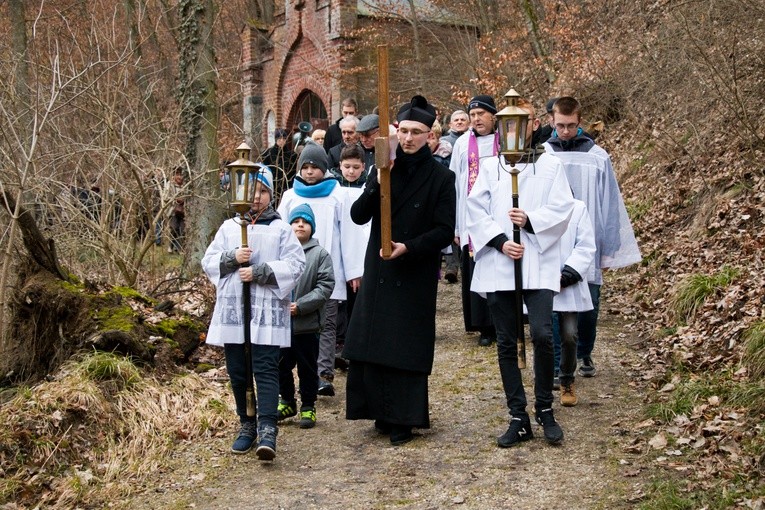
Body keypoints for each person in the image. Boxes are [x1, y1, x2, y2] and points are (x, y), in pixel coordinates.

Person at [342, 95, 456, 446]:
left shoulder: (441, 176)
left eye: (416, 132)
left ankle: (404, 417)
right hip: (379, 267)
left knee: (403, 343)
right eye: (403, 131)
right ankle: (379, 410)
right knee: (375, 338)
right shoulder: (384, 169)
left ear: (429, 135)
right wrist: (378, 179)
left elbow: (443, 230)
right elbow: (358, 215)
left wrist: (410, 247)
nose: (408, 138)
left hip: (414, 270)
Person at [466, 98, 575, 447]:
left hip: (538, 261)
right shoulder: (491, 167)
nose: (514, 131)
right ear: (502, 128)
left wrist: (530, 222)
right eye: (508, 125)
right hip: (501, 263)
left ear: (530, 127)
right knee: (506, 341)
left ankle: (545, 408)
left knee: (542, 334)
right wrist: (499, 242)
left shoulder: (549, 165)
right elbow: (474, 210)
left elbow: (562, 208)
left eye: (521, 124)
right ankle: (518, 414)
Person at [201, 164, 305, 460]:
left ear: (271, 194)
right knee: (237, 371)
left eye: (262, 191)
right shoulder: (230, 228)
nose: (256, 197)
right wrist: (232, 258)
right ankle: (247, 424)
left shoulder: (280, 228)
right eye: (250, 191)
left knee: (265, 369)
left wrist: (260, 271)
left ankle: (268, 427)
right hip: (236, 310)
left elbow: (296, 265)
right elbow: (208, 262)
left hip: (266, 312)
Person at [543, 96, 641, 378]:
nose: (564, 131)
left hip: (590, 239)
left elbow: (610, 201)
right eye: (560, 125)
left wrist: (609, 247)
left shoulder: (597, 156)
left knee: (590, 305)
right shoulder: (543, 154)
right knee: (553, 305)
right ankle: (561, 363)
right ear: (551, 121)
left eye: (570, 126)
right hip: (554, 240)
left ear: (580, 122)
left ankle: (584, 352)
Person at [277, 142, 361, 397]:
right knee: (300, 326)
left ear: (324, 168)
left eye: (315, 166)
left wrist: (353, 270)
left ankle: (324, 374)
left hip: (330, 268)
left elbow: (349, 233)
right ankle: (299, 375)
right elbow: (280, 233)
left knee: (327, 324)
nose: (310, 171)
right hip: (297, 273)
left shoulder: (337, 195)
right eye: (306, 166)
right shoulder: (290, 196)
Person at [278, 203, 335, 429]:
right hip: (281, 326)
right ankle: (287, 401)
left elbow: (325, 285)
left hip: (307, 325)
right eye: (296, 221)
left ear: (312, 227)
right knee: (280, 366)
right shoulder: (281, 252)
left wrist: (300, 306)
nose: (300, 225)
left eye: (305, 222)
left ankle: (308, 406)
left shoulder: (320, 254)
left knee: (307, 368)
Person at [449, 94, 500, 346]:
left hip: (499, 215)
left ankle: (504, 321)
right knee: (475, 268)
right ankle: (484, 327)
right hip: (469, 216)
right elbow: (455, 182)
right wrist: (456, 225)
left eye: (481, 114)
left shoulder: (506, 141)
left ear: (493, 116)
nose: (477, 119)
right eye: (473, 115)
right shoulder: (461, 144)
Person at [551, 199, 596, 406]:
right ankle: (543, 386)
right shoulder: (535, 205)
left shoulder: (577, 208)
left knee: (569, 335)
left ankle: (566, 379)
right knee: (541, 336)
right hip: (541, 282)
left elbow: (585, 245)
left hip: (567, 285)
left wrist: (566, 276)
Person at [330, 144, 371, 370]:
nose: (351, 172)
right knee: (340, 300)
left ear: (363, 167)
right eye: (347, 167)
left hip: (362, 247)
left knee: (357, 297)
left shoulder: (367, 188)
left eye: (356, 167)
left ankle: (355, 342)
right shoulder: (334, 190)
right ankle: (339, 341)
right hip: (339, 249)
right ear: (340, 166)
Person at [261, 128, 298, 204]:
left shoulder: (292, 155)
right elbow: (265, 172)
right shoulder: (267, 154)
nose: (282, 141)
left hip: (287, 186)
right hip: (272, 186)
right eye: (279, 139)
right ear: (275, 139)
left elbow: (293, 173)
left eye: (284, 139)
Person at [165, 167, 187, 253]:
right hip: (172, 210)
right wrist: (176, 199)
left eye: (181, 174)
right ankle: (170, 247)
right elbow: (165, 197)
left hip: (184, 211)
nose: (179, 177)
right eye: (177, 174)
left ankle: (179, 249)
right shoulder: (169, 185)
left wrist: (184, 200)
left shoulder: (186, 185)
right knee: (174, 228)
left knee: (182, 230)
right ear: (173, 175)